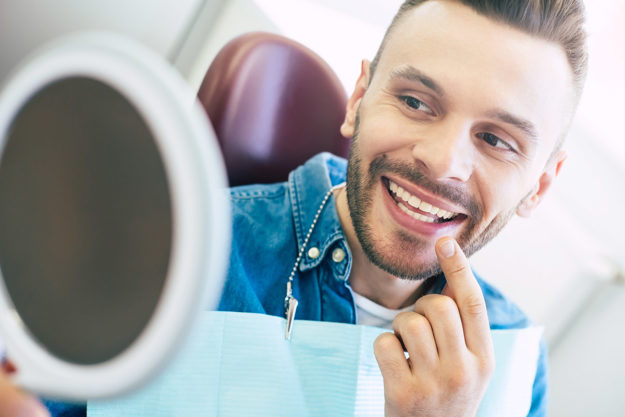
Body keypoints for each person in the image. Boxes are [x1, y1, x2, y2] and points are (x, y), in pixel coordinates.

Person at [29, 0, 587, 416]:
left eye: (496, 140)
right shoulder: (164, 249)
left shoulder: (516, 367)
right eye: (416, 102)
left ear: (539, 186)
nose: (442, 163)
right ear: (359, 99)